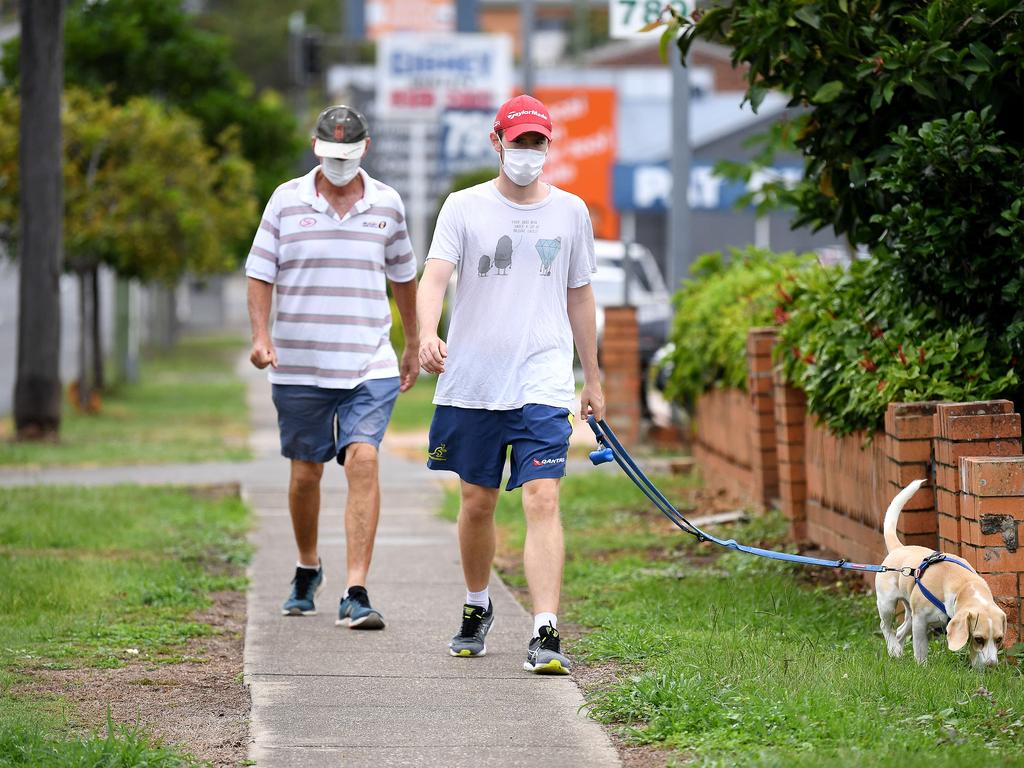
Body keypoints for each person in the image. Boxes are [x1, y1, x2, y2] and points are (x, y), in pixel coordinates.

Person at [417, 94, 604, 674]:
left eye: (537, 143)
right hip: (472, 382)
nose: (527, 152)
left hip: (543, 380)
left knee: (543, 497)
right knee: (477, 503)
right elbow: (435, 276)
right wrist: (427, 332)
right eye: (518, 141)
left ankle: (545, 629)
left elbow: (580, 294)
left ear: (549, 147)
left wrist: (591, 377)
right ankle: (478, 605)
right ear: (496, 142)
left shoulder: (571, 212)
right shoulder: (463, 207)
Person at [245, 105, 418, 629]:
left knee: (363, 459)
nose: (338, 164)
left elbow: (404, 278)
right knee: (305, 474)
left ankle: (356, 590)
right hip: (299, 363)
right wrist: (260, 336)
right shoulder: (285, 201)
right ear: (315, 147)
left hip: (368, 360)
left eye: (348, 155)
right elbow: (259, 273)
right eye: (330, 155)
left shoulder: (388, 204)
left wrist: (413, 343)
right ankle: (307, 566)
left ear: (364, 149)